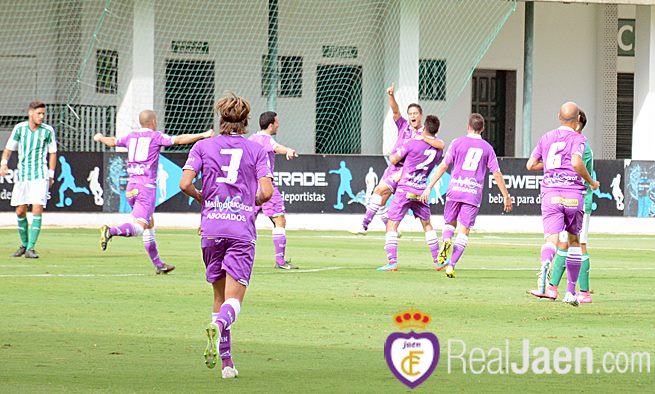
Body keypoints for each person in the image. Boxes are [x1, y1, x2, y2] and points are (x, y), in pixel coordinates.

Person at [179, 93, 273, 379]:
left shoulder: (203, 146)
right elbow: (266, 193)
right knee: (234, 302)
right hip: (240, 230)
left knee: (219, 296)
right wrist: (250, 201)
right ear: (246, 122)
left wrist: (201, 198)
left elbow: (185, 183)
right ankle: (218, 328)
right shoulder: (256, 150)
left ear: (220, 118)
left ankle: (227, 363)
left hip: (211, 229)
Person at [93, 110, 212, 274]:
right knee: (140, 228)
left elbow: (112, 142)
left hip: (131, 188)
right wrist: (203, 135)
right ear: (153, 121)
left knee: (149, 226)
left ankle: (159, 265)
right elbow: (179, 140)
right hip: (145, 188)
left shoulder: (130, 137)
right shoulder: (155, 137)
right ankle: (110, 231)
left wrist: (99, 138)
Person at [420, 113, 512, 278]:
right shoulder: (487, 148)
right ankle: (451, 265)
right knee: (464, 231)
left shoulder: (457, 142)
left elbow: (443, 166)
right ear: (482, 128)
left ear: (467, 127)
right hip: (472, 193)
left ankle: (446, 240)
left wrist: (429, 187)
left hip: (455, 189)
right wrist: (506, 195)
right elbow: (496, 174)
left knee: (449, 224)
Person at [525, 102, 599, 306]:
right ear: (577, 121)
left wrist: (550, 168)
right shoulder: (580, 140)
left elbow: (530, 164)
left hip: (551, 193)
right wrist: (592, 182)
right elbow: (576, 163)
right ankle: (571, 292)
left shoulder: (546, 137)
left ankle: (547, 282)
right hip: (575, 195)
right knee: (575, 242)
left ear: (559, 116)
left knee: (552, 240)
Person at [352, 83, 444, 235]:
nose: (413, 116)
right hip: (393, 167)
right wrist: (391, 96)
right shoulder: (404, 126)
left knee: (379, 190)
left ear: (421, 115)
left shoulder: (425, 133)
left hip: (406, 170)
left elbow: (441, 144)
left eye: (415, 113)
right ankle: (391, 228)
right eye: (410, 114)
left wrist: (424, 139)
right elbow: (395, 111)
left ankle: (364, 226)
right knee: (381, 200)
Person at [377, 115, 444, 271]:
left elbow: (393, 159)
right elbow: (440, 144)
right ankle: (438, 261)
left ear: (424, 128)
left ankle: (392, 262)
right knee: (427, 225)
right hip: (421, 190)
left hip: (405, 188)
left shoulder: (412, 143)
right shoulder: (438, 150)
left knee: (392, 224)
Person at [0, 101, 57, 259]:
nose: (42, 116)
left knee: (37, 208)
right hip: (23, 176)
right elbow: (9, 149)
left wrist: (51, 174)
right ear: (31, 113)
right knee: (20, 211)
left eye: (43, 114)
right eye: (39, 113)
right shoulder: (20, 129)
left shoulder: (47, 131)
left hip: (40, 176)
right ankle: (24, 245)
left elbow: (53, 153)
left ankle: (31, 248)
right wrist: (3, 164)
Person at [249, 111, 299, 269]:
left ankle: (238, 258)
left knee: (247, 222)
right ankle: (280, 261)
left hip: (249, 186)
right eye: (277, 122)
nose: (278, 124)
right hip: (265, 185)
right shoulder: (266, 139)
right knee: (279, 221)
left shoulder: (250, 139)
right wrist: (289, 150)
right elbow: (276, 147)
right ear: (270, 125)